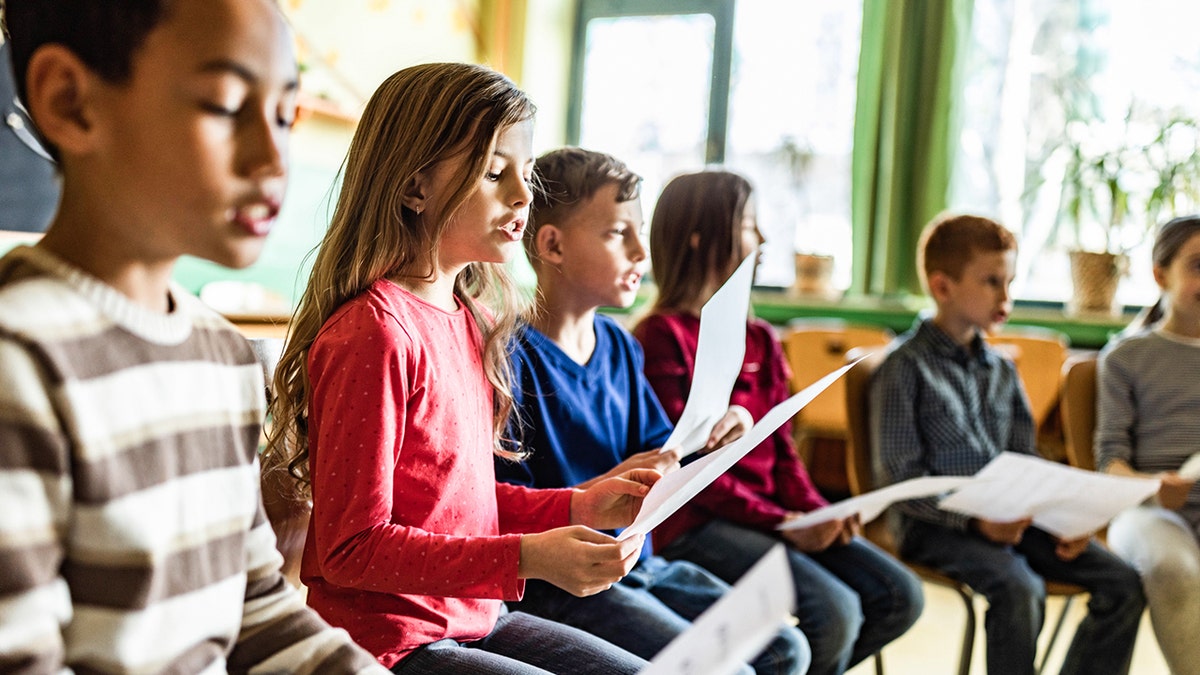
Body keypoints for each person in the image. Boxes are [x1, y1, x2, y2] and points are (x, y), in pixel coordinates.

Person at [0, 1, 388, 672]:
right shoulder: (20, 361)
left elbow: (257, 607)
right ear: (70, 101)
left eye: (282, 114)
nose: (273, 157)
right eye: (225, 104)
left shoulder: (227, 357)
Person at [262, 64, 654, 674]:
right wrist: (526, 556)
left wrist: (579, 506)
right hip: (392, 644)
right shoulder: (374, 334)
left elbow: (457, 505)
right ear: (415, 188)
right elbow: (350, 549)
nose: (524, 195)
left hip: (473, 618)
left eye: (523, 174)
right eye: (495, 173)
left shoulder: (468, 320)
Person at [495, 147, 811, 675]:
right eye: (619, 233)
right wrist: (609, 485)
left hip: (642, 562)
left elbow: (668, 448)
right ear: (551, 244)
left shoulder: (621, 349)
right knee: (731, 667)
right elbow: (505, 506)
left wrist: (716, 432)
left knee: (786, 647)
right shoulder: (509, 359)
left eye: (640, 231)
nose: (643, 252)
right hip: (567, 582)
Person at [633, 170, 922, 675]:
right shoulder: (661, 336)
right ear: (700, 237)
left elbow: (783, 449)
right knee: (834, 612)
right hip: (700, 521)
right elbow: (687, 472)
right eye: (748, 224)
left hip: (766, 515)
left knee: (901, 595)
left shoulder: (762, 339)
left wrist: (815, 513)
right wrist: (784, 525)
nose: (763, 239)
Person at [871, 212, 1145, 675]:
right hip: (934, 524)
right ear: (943, 287)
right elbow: (902, 481)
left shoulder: (1001, 369)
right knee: (1019, 587)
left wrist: (1065, 516)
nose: (1007, 297)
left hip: (1012, 517)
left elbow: (1026, 460)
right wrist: (978, 523)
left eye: (1010, 281)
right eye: (992, 282)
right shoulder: (904, 368)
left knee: (1123, 584)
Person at [1096, 214, 1200, 674]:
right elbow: (1108, 463)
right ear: (1161, 276)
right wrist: (1154, 485)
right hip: (1150, 511)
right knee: (1171, 569)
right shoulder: (1125, 357)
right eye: (1197, 265)